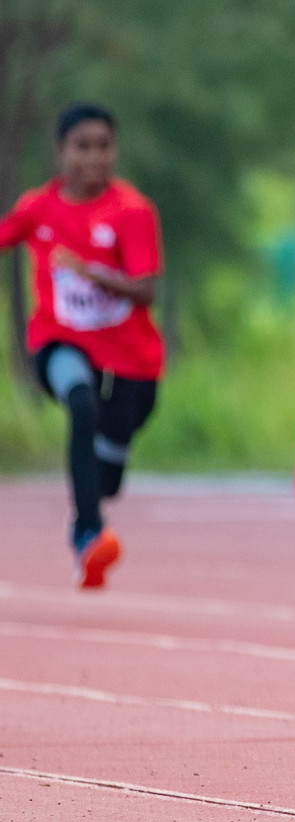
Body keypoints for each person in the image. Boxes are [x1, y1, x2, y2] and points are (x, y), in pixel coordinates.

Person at [0, 103, 163, 589]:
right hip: (59, 342)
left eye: (104, 147)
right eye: (82, 147)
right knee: (81, 402)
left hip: (131, 358)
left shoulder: (131, 211)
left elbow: (147, 290)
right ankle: (88, 534)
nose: (94, 158)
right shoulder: (38, 208)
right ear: (61, 152)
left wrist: (94, 273)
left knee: (108, 474)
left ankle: (96, 500)